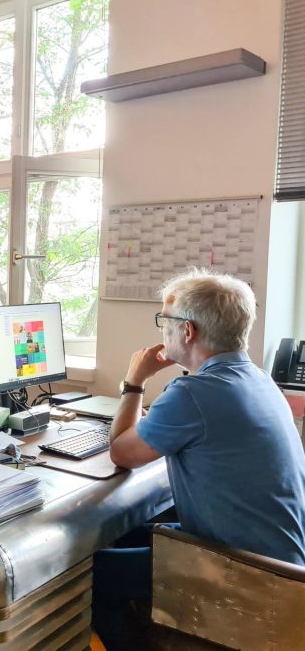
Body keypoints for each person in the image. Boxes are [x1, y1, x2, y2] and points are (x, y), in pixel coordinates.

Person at [93, 269, 305, 650]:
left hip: (250, 576)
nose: (163, 330)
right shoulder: (259, 379)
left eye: (165, 321)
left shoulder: (194, 393)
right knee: (122, 535)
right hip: (284, 565)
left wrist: (135, 381)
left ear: (187, 331)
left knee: (92, 577)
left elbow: (121, 452)